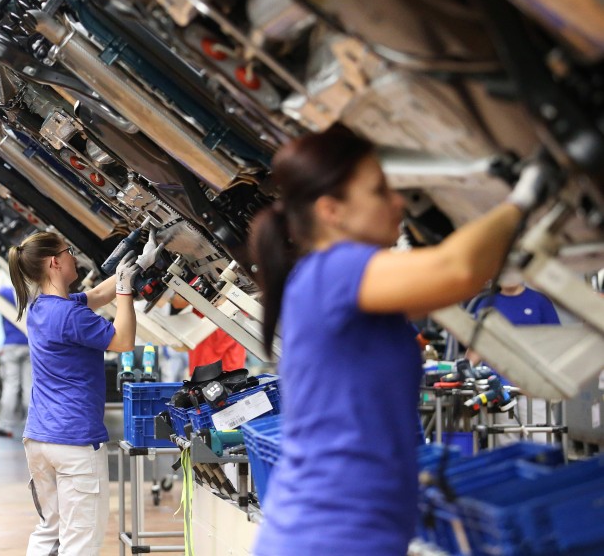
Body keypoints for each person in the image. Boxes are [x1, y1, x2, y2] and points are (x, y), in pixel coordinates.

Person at [247, 123, 555, 555]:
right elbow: (457, 270)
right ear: (332, 210)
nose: (397, 202)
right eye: (378, 192)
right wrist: (525, 196)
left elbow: (452, 279)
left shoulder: (334, 279)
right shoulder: (335, 270)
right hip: (328, 538)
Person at [8, 231, 160, 556]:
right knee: (80, 541)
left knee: (49, 531)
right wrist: (124, 289)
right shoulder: (68, 315)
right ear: (54, 262)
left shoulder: (41, 308)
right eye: (68, 251)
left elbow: (96, 296)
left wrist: (138, 268)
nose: (73, 256)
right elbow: (122, 341)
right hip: (74, 443)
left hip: (39, 439)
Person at [469, 274, 561, 443]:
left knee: (541, 439)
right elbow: (478, 346)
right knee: (505, 441)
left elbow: (555, 343)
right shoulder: (486, 304)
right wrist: (463, 369)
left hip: (534, 386)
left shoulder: (539, 302)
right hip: (498, 387)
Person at [170, 294, 246, 377]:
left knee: (228, 380)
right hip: (212, 329)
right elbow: (177, 302)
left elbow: (177, 302)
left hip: (223, 326)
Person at [0, 285, 31, 438]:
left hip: (11, 345)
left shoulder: (4, 292)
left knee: (11, 386)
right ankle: (31, 426)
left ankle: (5, 425)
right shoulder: (33, 293)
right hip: (29, 343)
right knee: (30, 387)